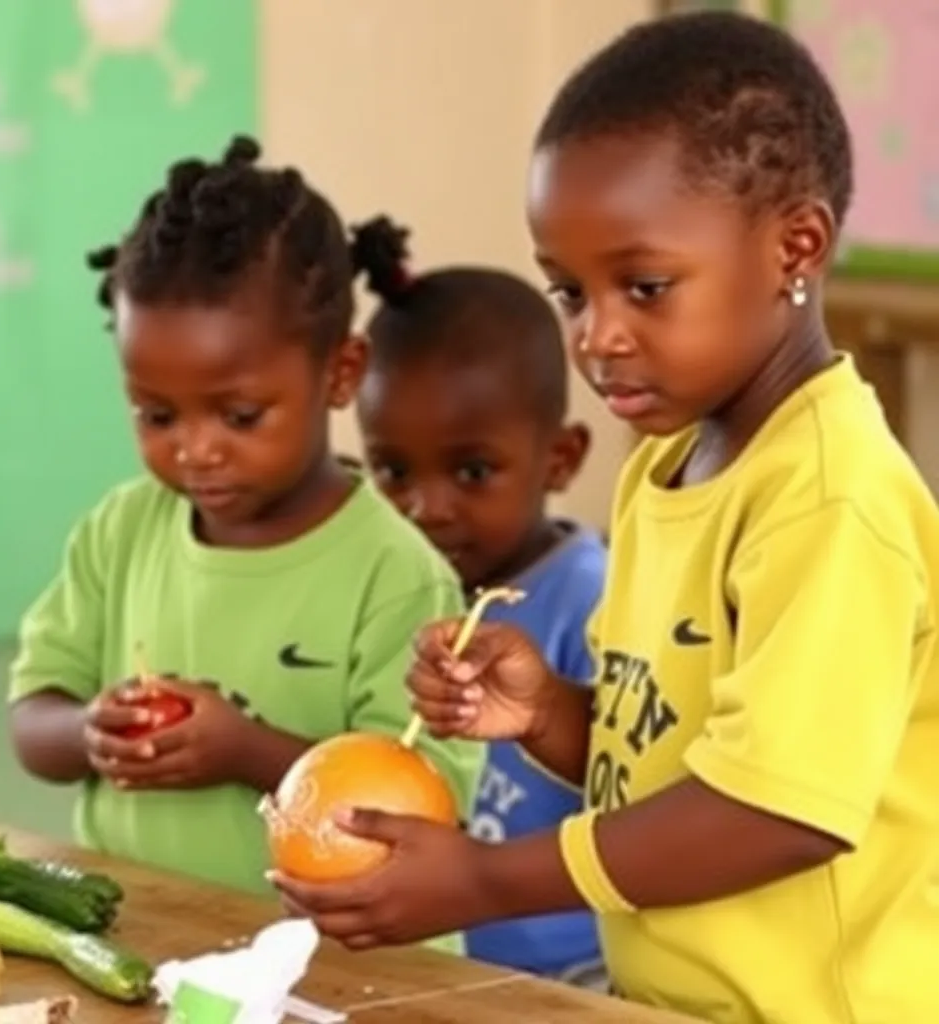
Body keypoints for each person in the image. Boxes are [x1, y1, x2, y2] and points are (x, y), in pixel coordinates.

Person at [269, 13, 939, 1021]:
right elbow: (676, 764)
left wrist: (488, 879)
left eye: (644, 286)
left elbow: (775, 808)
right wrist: (547, 711)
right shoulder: (669, 459)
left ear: (794, 245)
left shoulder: (826, 497)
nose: (598, 337)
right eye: (568, 292)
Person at [6, 136, 484, 950]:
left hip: (344, 969)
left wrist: (244, 749)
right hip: (149, 939)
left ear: (339, 374)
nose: (195, 450)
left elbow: (420, 805)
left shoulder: (396, 575)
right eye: (158, 415)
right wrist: (89, 729)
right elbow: (32, 722)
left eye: (238, 415)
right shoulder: (121, 531)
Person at [350, 217, 608, 983]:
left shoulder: (590, 600)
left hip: (574, 974)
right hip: (426, 963)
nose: (425, 507)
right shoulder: (390, 586)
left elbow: (637, 791)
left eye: (471, 473)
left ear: (558, 458)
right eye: (393, 472)